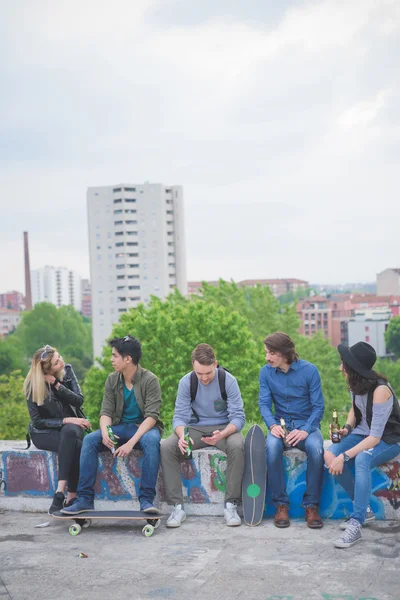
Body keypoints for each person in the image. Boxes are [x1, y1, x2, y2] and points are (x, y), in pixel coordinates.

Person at [61, 335, 163, 515]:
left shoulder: (150, 380)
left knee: (152, 442)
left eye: (115, 355)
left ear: (128, 359)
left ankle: (146, 500)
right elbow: (106, 412)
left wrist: (131, 443)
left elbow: (151, 417)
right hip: (120, 427)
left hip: (143, 429)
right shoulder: (112, 379)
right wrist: (106, 432)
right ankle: (84, 499)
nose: (111, 359)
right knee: (90, 440)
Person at [161, 343, 245, 527]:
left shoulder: (228, 381)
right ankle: (177, 507)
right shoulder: (186, 382)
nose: (204, 378)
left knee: (238, 446)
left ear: (215, 364)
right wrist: (182, 435)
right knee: (167, 447)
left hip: (224, 428)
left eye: (208, 373)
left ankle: (230, 505)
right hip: (196, 428)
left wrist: (222, 433)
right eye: (200, 374)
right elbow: (179, 417)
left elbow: (239, 418)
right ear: (193, 365)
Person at [325, 341, 400, 548]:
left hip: (388, 439)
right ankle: (365, 510)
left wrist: (345, 456)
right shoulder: (357, 384)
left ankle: (356, 523)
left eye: (343, 364)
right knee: (329, 455)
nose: (341, 368)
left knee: (362, 459)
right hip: (361, 433)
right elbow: (354, 410)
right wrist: (347, 428)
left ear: (353, 368)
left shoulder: (380, 390)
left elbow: (375, 437)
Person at [259, 332, 325, 529]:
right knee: (271, 448)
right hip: (280, 426)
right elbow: (263, 404)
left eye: (271, 353)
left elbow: (318, 407)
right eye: (266, 353)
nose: (267, 357)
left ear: (285, 353)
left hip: (307, 426)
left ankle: (312, 506)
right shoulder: (265, 372)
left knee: (316, 449)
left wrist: (305, 430)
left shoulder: (310, 371)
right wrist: (272, 425)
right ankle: (281, 505)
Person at [24, 345, 90, 515]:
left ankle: (60, 493)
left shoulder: (67, 371)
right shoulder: (32, 385)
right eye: (56, 362)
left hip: (72, 429)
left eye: (60, 357)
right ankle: (72, 496)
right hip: (44, 433)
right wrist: (66, 420)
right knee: (74, 444)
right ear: (46, 370)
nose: (61, 361)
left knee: (70, 436)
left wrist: (57, 384)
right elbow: (37, 422)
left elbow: (78, 400)